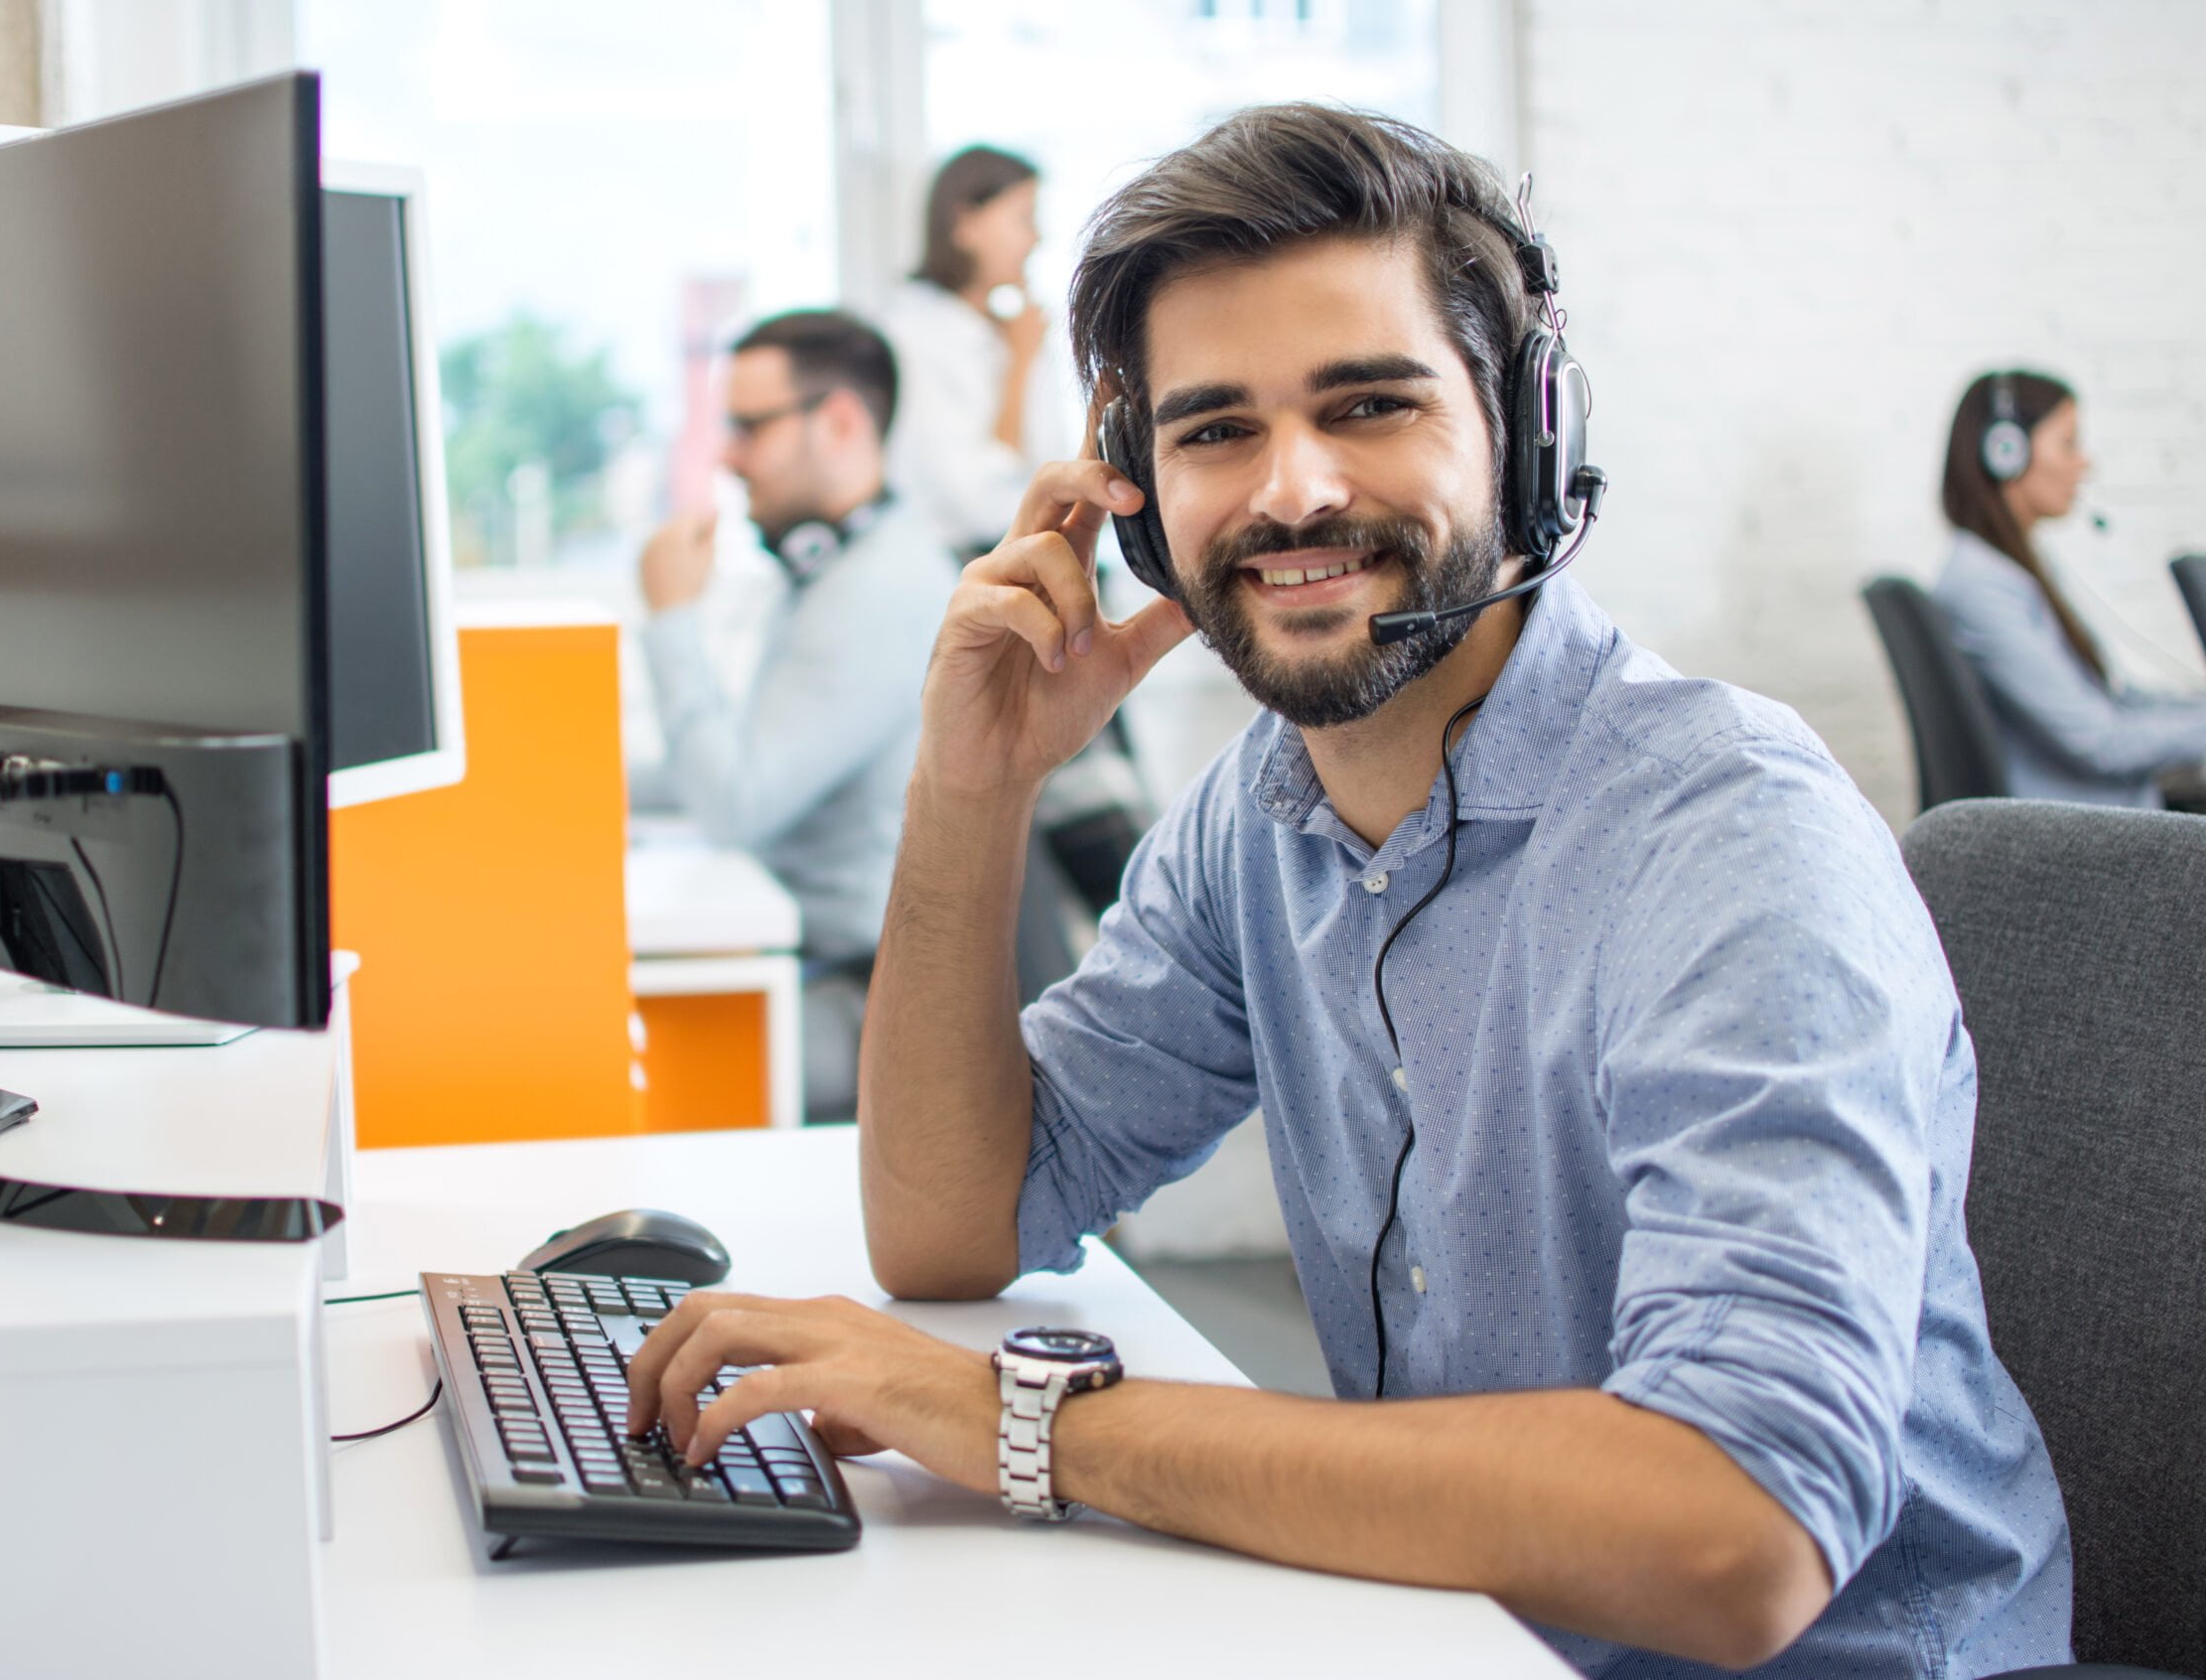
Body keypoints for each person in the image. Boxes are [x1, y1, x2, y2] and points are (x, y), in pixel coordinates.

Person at [626, 107, 2069, 1676]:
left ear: (1523, 433)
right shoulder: (1260, 818)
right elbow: (949, 1222)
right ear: (1135, 494)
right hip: (1467, 1634)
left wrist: (1021, 1419)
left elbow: (1740, 1529)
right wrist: (972, 788)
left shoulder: (1726, 838)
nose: (1291, 490)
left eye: (1369, 402)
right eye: (1214, 429)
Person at [635, 310, 956, 1121]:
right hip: (801, 953)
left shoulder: (878, 594)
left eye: (749, 426)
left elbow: (735, 801)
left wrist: (672, 617)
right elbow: (735, 767)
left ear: (840, 420)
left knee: (620, 1059)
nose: (729, 456)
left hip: (852, 996)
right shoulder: (835, 568)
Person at [1936, 369, 2206, 806]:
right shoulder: (1983, 586)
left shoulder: (2011, 569)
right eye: (2068, 444)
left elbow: (2113, 701)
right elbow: (2099, 742)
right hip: (2086, 829)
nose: (2085, 463)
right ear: (2006, 453)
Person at [881, 146, 1073, 560]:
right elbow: (981, 504)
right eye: (1023, 219)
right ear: (966, 224)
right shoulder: (914, 337)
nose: (1037, 238)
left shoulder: (1011, 328)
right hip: (968, 563)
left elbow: (1056, 467)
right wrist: (1020, 364)